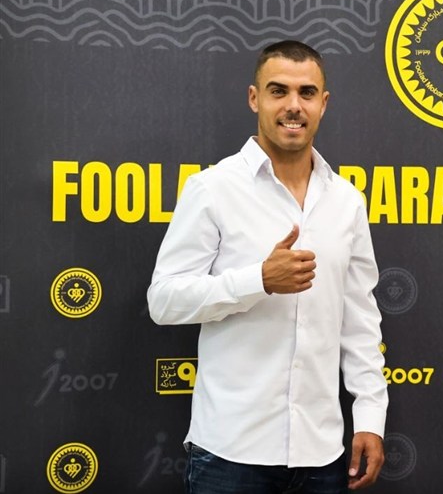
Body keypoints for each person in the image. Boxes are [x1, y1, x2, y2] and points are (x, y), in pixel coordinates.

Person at [148, 40, 388, 493]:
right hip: (230, 454)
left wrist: (370, 417)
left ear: (323, 103)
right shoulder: (213, 189)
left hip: (322, 454)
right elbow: (163, 300)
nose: (293, 105)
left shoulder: (347, 202)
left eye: (306, 93)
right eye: (279, 91)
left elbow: (360, 321)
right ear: (254, 98)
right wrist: (258, 280)